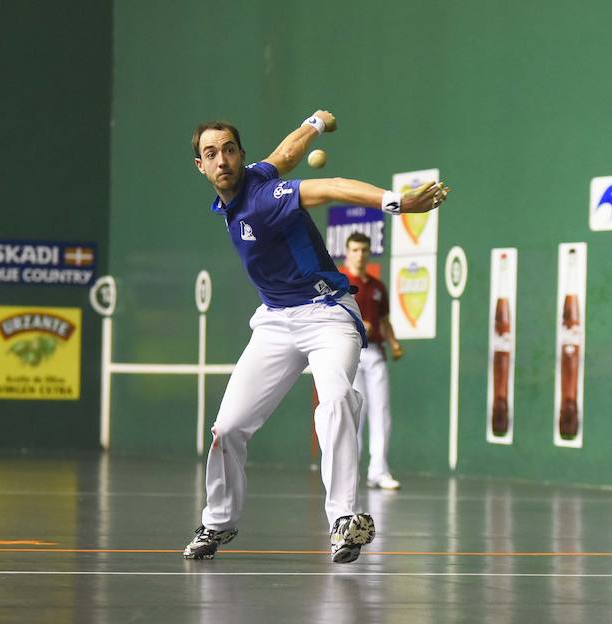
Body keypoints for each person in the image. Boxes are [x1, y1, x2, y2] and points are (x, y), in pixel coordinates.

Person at [183, 110, 449, 564]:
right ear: (201, 167)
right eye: (212, 153)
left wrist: (397, 203)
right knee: (226, 428)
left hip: (327, 314)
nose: (222, 159)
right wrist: (317, 123)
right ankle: (218, 522)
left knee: (337, 397)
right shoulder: (251, 180)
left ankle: (344, 519)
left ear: (240, 155)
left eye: (229, 150)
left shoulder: (265, 195)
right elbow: (286, 153)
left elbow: (331, 186)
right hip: (273, 320)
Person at [340, 232, 404, 490]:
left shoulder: (378, 287)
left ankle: (379, 471)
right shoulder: (340, 283)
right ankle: (350, 472)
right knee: (356, 412)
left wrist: (394, 342)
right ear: (347, 252)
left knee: (381, 412)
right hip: (351, 352)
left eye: (364, 250)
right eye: (355, 250)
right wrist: (356, 325)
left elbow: (384, 320)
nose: (360, 254)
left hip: (376, 352)